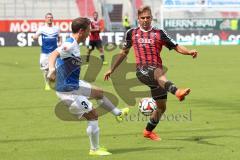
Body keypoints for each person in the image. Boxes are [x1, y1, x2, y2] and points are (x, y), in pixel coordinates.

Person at [104, 6, 198, 141]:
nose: (145, 20)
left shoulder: (159, 33)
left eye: (148, 17)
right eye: (143, 18)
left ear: (151, 18)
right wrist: (112, 69)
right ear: (138, 19)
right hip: (142, 71)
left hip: (157, 75)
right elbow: (123, 52)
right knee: (157, 72)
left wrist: (188, 52)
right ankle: (177, 92)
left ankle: (148, 131)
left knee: (161, 107)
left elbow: (175, 46)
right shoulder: (132, 33)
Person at [47, 17, 129, 156]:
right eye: (89, 30)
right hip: (68, 91)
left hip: (74, 84)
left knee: (99, 93)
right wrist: (51, 69)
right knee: (93, 115)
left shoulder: (73, 43)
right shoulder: (70, 44)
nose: (90, 33)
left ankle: (118, 114)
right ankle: (94, 149)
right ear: (81, 31)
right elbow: (54, 54)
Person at [32, 12, 62, 91]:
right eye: (48, 17)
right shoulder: (42, 28)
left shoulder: (56, 28)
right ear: (45, 19)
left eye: (51, 17)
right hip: (44, 53)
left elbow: (59, 36)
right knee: (45, 70)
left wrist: (60, 42)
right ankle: (47, 83)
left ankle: (54, 82)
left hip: (54, 53)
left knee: (54, 69)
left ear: (53, 19)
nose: (50, 19)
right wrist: (34, 37)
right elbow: (36, 36)